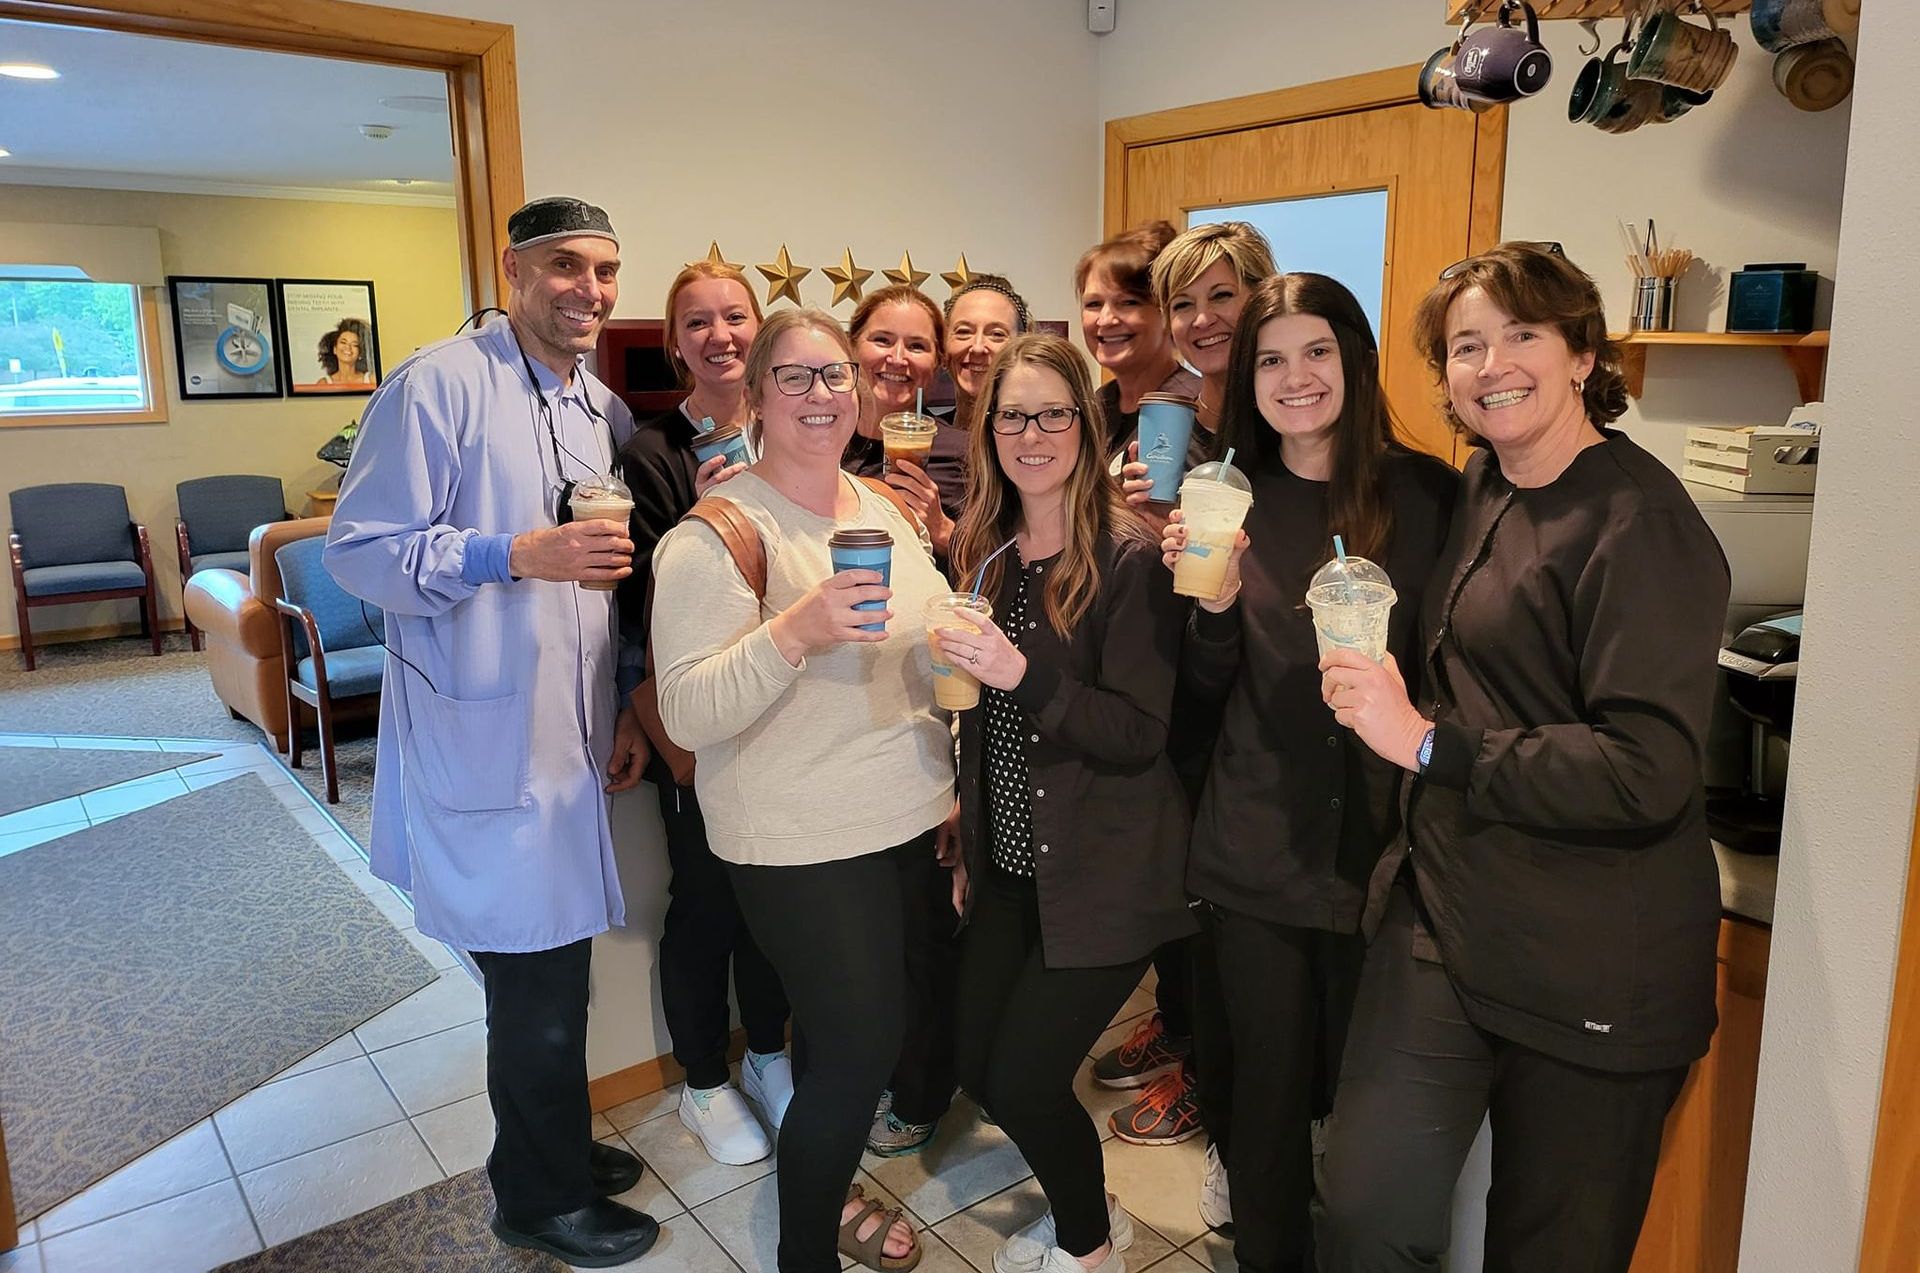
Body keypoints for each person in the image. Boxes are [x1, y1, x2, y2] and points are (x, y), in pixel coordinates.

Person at [1312, 242, 1731, 1272]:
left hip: (1595, 955)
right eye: (1465, 345)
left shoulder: (1642, 522)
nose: (1492, 363)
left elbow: (1646, 767)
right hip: (1449, 910)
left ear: (1583, 351)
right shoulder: (1487, 483)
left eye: (1522, 335)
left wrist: (1428, 742)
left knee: (1553, 1249)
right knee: (1364, 1206)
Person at [324, 196, 660, 1268]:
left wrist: (617, 709)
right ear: (512, 268)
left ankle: (547, 1142)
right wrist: (510, 553)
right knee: (535, 982)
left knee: (557, 972)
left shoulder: (594, 406)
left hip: (571, 739)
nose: (592, 292)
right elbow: (363, 551)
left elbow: (592, 598)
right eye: (567, 266)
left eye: (607, 271)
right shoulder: (439, 386)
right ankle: (538, 1196)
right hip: (492, 745)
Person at [1159, 273, 1457, 1273]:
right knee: (1268, 1107)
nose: (1296, 377)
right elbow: (1202, 694)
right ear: (1248, 377)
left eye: (1317, 351)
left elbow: (1455, 670)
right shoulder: (1227, 499)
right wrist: (1210, 604)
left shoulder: (1425, 495)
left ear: (1353, 360)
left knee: (1379, 1123)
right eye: (1272, 358)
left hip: (1390, 856)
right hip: (1259, 851)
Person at [650, 307, 954, 1273]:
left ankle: (835, 1208)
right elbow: (690, 710)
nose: (821, 396)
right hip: (798, 840)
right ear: (757, 394)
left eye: (835, 378)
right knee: (858, 1055)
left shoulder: (886, 510)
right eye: (796, 378)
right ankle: (805, 1258)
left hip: (908, 817)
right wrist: (796, 631)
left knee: (857, 1045)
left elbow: (935, 634)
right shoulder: (718, 534)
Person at [942, 333, 1193, 1273]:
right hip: (1008, 864)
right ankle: (1095, 1213)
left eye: (1054, 412)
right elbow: (982, 729)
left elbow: (1139, 734)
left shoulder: (1127, 558)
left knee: (1023, 1074)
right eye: (1013, 414)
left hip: (1105, 874)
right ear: (989, 427)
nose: (1032, 432)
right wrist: (968, 842)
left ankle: (1089, 1248)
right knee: (976, 1060)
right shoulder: (986, 546)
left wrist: (1021, 670)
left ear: (1085, 428)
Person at [1104, 221, 1277, 1195]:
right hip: (1179, 692)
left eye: (1223, 296)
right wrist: (1139, 519)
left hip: (1267, 699)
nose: (1203, 319)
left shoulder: (1290, 410)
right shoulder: (1170, 419)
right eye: (1185, 303)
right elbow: (1152, 565)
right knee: (1189, 906)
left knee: (1238, 929)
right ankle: (1196, 1068)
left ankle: (1232, 1107)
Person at [616, 258, 791, 1168]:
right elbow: (633, 601)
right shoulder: (652, 452)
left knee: (772, 897)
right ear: (674, 341)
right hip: (697, 712)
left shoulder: (794, 426)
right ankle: (703, 1082)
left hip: (790, 705)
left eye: (735, 317)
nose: (720, 336)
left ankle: (767, 1055)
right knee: (708, 900)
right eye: (698, 322)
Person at [843, 284, 969, 559]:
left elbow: (999, 567)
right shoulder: (823, 443)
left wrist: (942, 529)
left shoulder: (964, 453)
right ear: (852, 347)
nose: (898, 358)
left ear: (937, 362)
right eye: (882, 340)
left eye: (916, 346)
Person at [1075, 221, 1199, 464]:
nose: (1106, 319)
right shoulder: (1095, 409)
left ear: (1168, 310)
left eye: (1128, 302)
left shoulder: (1197, 408)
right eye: (1093, 304)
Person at [940, 273, 1029, 430]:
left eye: (996, 334)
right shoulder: (925, 438)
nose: (978, 347)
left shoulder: (1037, 439)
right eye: (963, 332)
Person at [316, 318, 375, 386]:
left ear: (360, 353)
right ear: (334, 349)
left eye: (354, 345)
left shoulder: (371, 380)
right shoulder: (324, 383)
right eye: (343, 342)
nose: (348, 347)